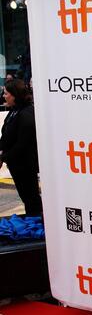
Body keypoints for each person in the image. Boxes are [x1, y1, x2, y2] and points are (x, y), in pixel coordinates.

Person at [0, 78, 42, 216]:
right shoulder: (14, 111)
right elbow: (6, 135)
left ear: (15, 94)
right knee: (26, 196)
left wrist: (4, 157)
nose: (4, 96)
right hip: (15, 163)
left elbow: (23, 144)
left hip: (25, 164)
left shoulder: (26, 113)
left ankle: (36, 222)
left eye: (6, 93)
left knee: (31, 197)